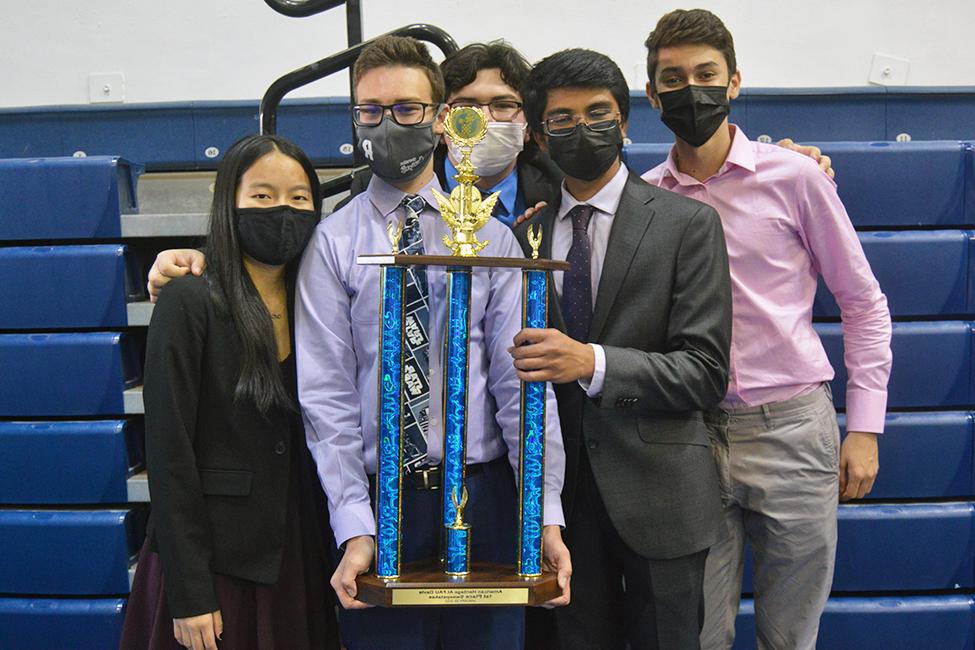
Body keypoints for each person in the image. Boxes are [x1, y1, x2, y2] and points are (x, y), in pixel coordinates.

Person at [295, 35, 570, 650]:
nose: (389, 123)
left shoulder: (495, 242)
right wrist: (353, 522)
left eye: (407, 108)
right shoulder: (334, 244)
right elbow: (327, 397)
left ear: (443, 118)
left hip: (490, 499)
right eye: (371, 110)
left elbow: (520, 386)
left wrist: (544, 512)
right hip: (381, 503)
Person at [641, 9, 892, 650]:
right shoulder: (645, 197)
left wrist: (864, 428)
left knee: (789, 636)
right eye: (673, 78)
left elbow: (862, 303)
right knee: (697, 635)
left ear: (734, 84)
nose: (690, 90)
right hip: (686, 436)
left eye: (705, 74)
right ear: (651, 95)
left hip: (791, 429)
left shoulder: (797, 176)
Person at [512, 48, 732, 649]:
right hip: (559, 504)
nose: (583, 129)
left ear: (625, 120)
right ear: (537, 135)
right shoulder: (520, 236)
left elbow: (706, 371)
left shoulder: (688, 224)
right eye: (562, 119)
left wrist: (595, 362)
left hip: (662, 494)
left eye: (599, 113)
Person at [120, 134, 340, 650]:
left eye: (299, 198)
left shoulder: (320, 299)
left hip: (298, 553)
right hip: (215, 563)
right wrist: (189, 591)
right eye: (261, 196)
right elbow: (170, 454)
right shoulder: (188, 300)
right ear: (229, 203)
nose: (282, 210)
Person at [342, 39, 563, 224]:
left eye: (503, 105)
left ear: (529, 125)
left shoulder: (558, 188)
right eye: (466, 107)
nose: (483, 119)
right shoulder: (385, 184)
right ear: (441, 118)